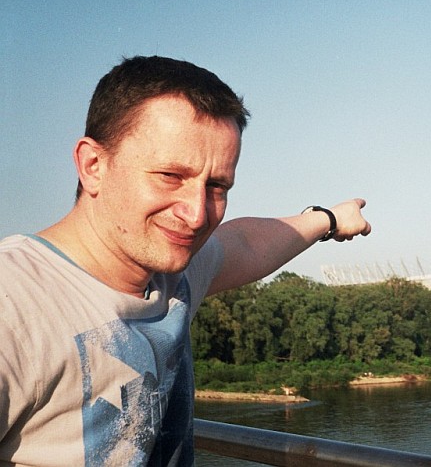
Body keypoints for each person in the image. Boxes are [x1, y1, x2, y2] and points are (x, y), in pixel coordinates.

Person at [0, 56, 371, 465]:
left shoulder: (171, 276)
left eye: (217, 186)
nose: (196, 215)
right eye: (170, 176)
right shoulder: (14, 305)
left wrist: (330, 219)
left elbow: (245, 243)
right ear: (93, 166)